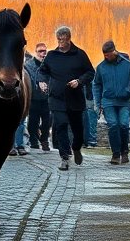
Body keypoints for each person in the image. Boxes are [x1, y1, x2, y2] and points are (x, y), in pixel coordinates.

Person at [38, 26, 94, 171]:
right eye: (58, 39)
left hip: (75, 99)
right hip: (57, 98)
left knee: (78, 130)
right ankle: (64, 157)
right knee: (61, 126)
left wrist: (79, 81)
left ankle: (76, 148)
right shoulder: (51, 55)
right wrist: (42, 82)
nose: (60, 42)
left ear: (69, 38)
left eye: (63, 40)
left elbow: (90, 72)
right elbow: (42, 71)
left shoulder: (80, 55)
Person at [92, 40, 130, 165]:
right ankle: (115, 153)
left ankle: (124, 151)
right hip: (108, 101)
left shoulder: (127, 64)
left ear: (114, 51)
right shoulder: (101, 67)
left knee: (124, 124)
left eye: (108, 54)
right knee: (113, 124)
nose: (106, 57)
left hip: (124, 101)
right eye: (104, 55)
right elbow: (96, 86)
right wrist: (97, 104)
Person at [24, 42, 51, 150]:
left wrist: (48, 86)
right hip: (34, 98)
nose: (43, 53)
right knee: (33, 122)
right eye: (40, 51)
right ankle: (34, 141)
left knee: (47, 121)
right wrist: (38, 84)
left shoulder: (49, 65)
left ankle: (44, 139)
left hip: (46, 99)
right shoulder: (28, 65)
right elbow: (28, 80)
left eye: (44, 51)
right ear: (36, 52)